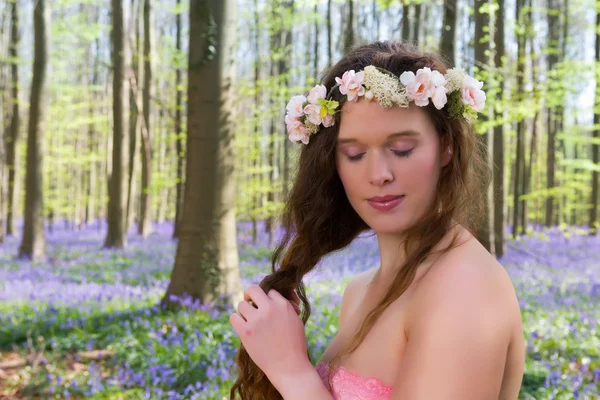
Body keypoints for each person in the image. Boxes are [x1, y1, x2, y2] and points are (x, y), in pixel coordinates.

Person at [229, 40, 525, 400]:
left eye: (402, 149)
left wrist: (292, 373)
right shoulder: (359, 292)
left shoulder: (465, 289)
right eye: (354, 154)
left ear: (445, 147)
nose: (378, 173)